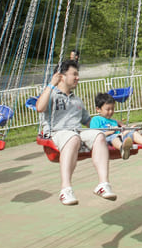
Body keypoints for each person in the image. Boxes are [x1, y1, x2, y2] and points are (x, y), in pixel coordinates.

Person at [36, 59, 116, 206]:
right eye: (74, 74)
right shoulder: (51, 94)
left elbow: (88, 122)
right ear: (62, 76)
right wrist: (50, 85)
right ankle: (65, 189)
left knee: (97, 135)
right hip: (57, 132)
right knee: (72, 137)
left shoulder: (77, 100)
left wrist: (112, 126)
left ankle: (103, 184)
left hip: (76, 132)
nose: (77, 78)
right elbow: (40, 107)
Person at [90, 92, 142, 160]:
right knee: (114, 137)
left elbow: (122, 131)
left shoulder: (114, 121)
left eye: (112, 109)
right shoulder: (96, 119)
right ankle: (122, 148)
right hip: (106, 139)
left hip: (120, 137)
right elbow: (94, 135)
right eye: (108, 109)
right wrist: (111, 132)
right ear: (98, 109)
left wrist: (129, 129)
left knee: (132, 133)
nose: (111, 111)